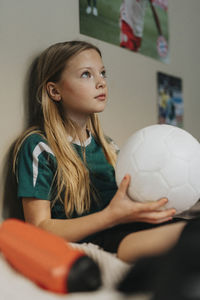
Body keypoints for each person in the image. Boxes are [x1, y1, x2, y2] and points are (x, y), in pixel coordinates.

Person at [13, 40, 186, 263]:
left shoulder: (110, 147)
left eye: (103, 73)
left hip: (139, 226)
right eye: (86, 74)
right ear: (55, 91)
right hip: (112, 238)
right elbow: (39, 229)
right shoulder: (39, 147)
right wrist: (111, 216)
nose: (101, 82)